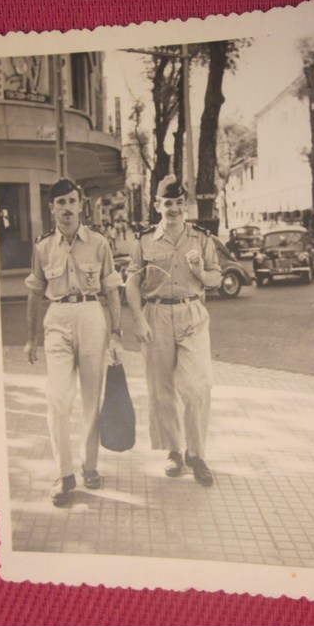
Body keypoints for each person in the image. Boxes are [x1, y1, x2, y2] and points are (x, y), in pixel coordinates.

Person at [24, 178, 124, 506]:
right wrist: (31, 338)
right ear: (51, 208)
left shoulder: (99, 243)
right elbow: (35, 292)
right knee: (57, 398)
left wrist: (115, 333)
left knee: (90, 398)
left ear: (80, 205)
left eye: (71, 201)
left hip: (92, 316)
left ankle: (89, 465)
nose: (66, 208)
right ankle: (64, 473)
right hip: (57, 321)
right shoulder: (42, 247)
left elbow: (112, 291)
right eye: (60, 203)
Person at [125, 174, 222, 487]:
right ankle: (174, 451)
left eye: (179, 203)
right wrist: (138, 319)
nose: (174, 209)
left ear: (185, 205)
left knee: (198, 386)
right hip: (156, 314)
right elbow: (131, 282)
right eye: (168, 203)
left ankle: (197, 453)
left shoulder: (201, 238)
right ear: (157, 205)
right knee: (161, 387)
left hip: (191, 312)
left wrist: (198, 271)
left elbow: (215, 279)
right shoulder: (143, 241)